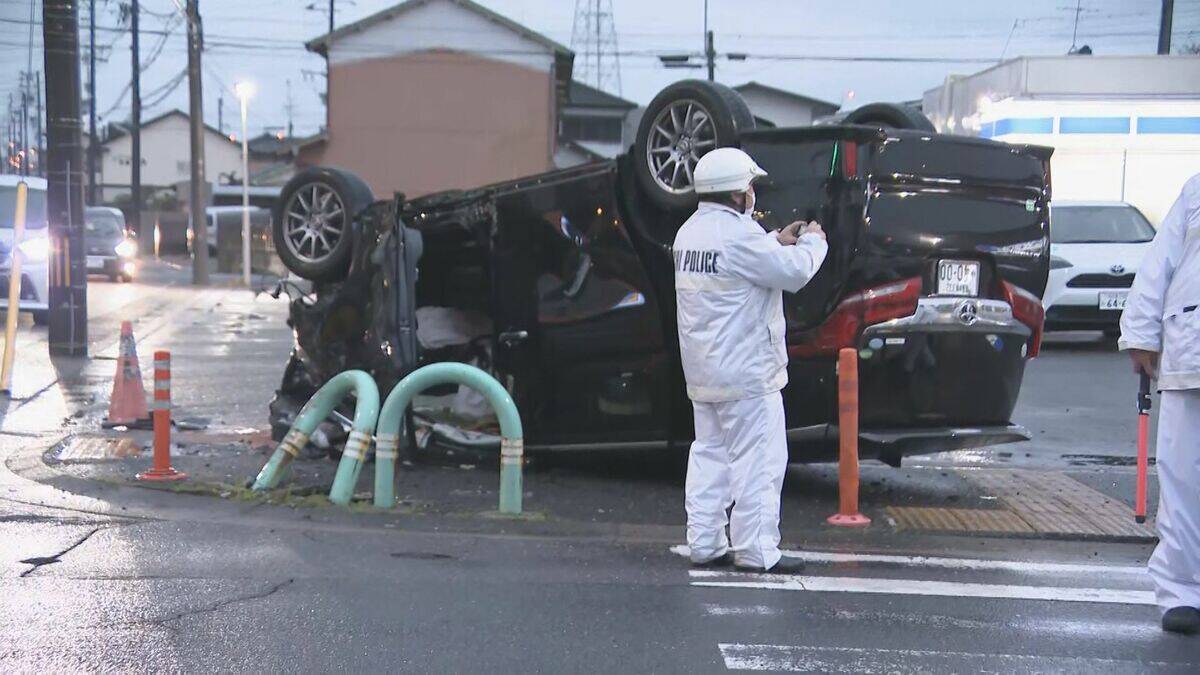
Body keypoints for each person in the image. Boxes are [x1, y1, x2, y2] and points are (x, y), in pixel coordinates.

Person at [673, 147, 828, 573]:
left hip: (704, 372)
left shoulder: (689, 233)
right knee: (758, 461)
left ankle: (704, 543)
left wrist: (774, 239)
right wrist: (813, 241)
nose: (753, 194)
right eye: (751, 187)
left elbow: (741, 262)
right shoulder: (739, 236)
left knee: (710, 457)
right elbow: (793, 272)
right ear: (739, 193)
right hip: (746, 374)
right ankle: (758, 550)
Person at [1119, 173, 1200, 636]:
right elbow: (1160, 263)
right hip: (1191, 352)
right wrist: (1141, 333)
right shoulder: (1195, 191)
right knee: (1184, 481)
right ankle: (1183, 592)